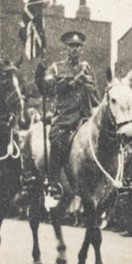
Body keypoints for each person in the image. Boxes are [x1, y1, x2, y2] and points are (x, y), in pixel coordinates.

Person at [35, 31, 99, 197]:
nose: (74, 49)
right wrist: (75, 81)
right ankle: (54, 181)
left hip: (84, 117)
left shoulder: (88, 70)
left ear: (81, 49)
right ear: (66, 48)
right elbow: (49, 89)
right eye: (71, 46)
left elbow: (95, 97)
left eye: (77, 46)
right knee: (56, 141)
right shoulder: (56, 68)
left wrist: (91, 87)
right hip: (64, 116)